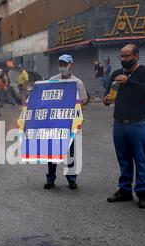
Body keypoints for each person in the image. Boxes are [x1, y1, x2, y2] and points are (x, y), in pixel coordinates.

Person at [103, 44, 145, 209]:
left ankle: (142, 192)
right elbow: (110, 95)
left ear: (136, 56)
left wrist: (129, 81)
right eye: (122, 56)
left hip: (139, 123)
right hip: (119, 123)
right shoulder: (116, 74)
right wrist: (106, 100)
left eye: (127, 56)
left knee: (140, 159)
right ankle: (125, 190)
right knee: (123, 159)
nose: (124, 59)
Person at [44, 54, 88, 190]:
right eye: (60, 64)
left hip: (70, 123)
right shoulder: (52, 80)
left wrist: (77, 120)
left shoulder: (78, 83)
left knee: (71, 152)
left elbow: (83, 101)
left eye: (65, 64)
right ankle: (51, 179)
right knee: (52, 152)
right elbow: (45, 98)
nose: (62, 67)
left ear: (71, 65)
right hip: (54, 122)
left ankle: (72, 179)